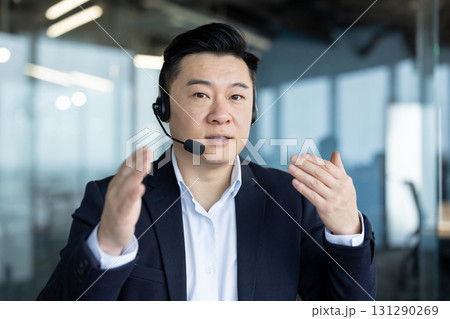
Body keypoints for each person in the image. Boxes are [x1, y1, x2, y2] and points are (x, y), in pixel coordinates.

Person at [38, 23, 376, 301]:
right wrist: (108, 246)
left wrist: (347, 231)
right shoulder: (111, 199)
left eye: (236, 97)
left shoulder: (291, 200)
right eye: (200, 95)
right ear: (164, 110)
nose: (221, 115)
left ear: (253, 112)